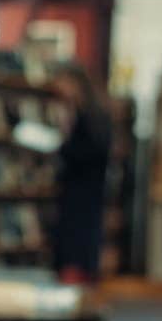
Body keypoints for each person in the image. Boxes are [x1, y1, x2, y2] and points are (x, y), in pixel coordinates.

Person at [51, 62, 113, 284]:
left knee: (75, 248)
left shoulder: (89, 117)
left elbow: (82, 153)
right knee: (81, 247)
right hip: (86, 193)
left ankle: (75, 291)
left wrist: (63, 136)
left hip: (81, 193)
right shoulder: (96, 113)